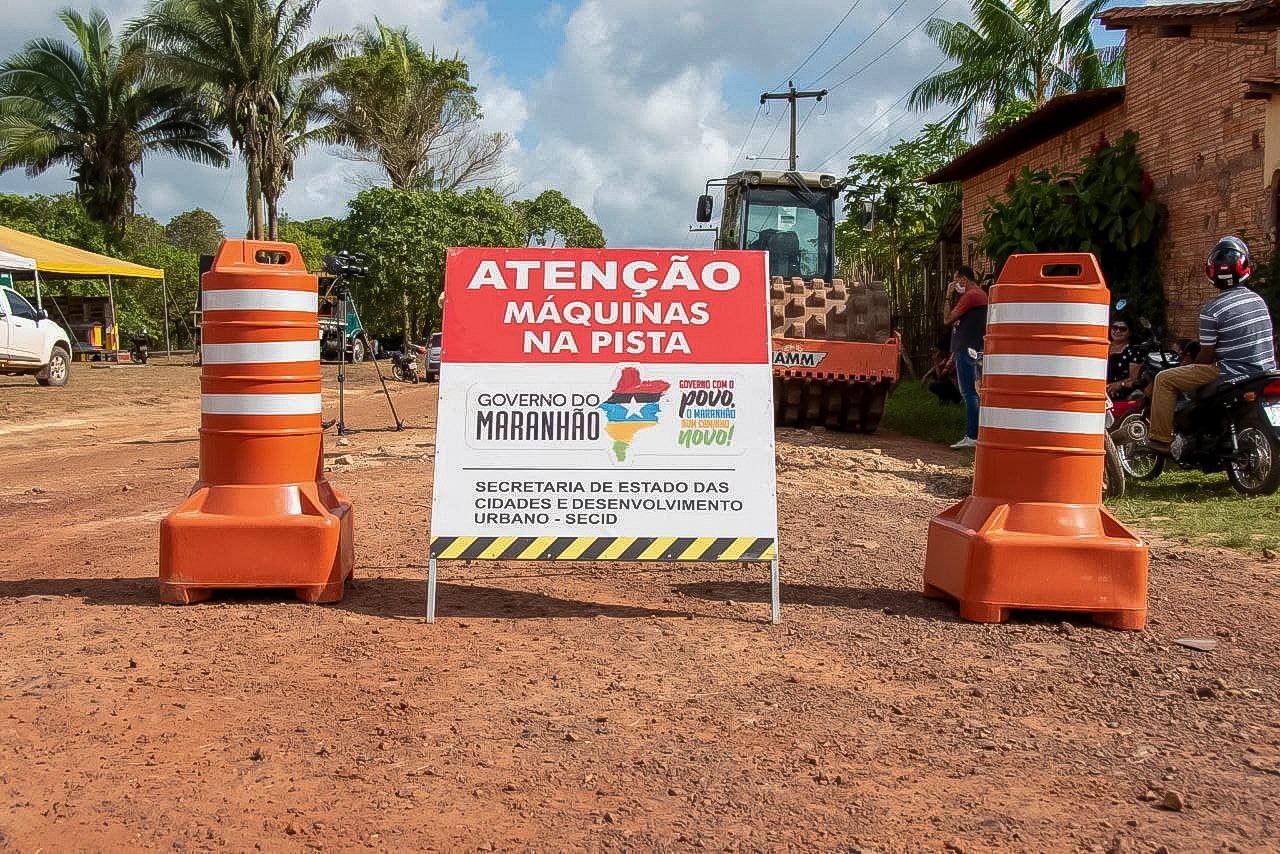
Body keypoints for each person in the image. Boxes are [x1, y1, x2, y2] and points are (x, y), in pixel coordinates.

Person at [1147, 236, 1277, 455]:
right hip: (1265, 370)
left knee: (1164, 379)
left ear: (1212, 273)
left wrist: (1189, 366)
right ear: (1244, 267)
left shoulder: (1212, 310)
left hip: (1231, 373)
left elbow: (1206, 356)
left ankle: (1159, 441)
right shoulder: (1258, 301)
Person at [942, 265, 988, 449]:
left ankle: (972, 436)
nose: (955, 284)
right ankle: (975, 435)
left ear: (963, 279)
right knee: (974, 392)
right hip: (974, 347)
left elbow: (946, 319)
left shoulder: (970, 296)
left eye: (955, 280)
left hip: (966, 349)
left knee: (969, 393)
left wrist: (947, 295)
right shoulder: (979, 295)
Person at [1105, 319, 1142, 400]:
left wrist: (1119, 385)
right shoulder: (1103, 347)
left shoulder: (1133, 351)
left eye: (1122, 329)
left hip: (1120, 393)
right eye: (1114, 328)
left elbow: (1134, 379)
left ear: (1130, 332)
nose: (1118, 331)